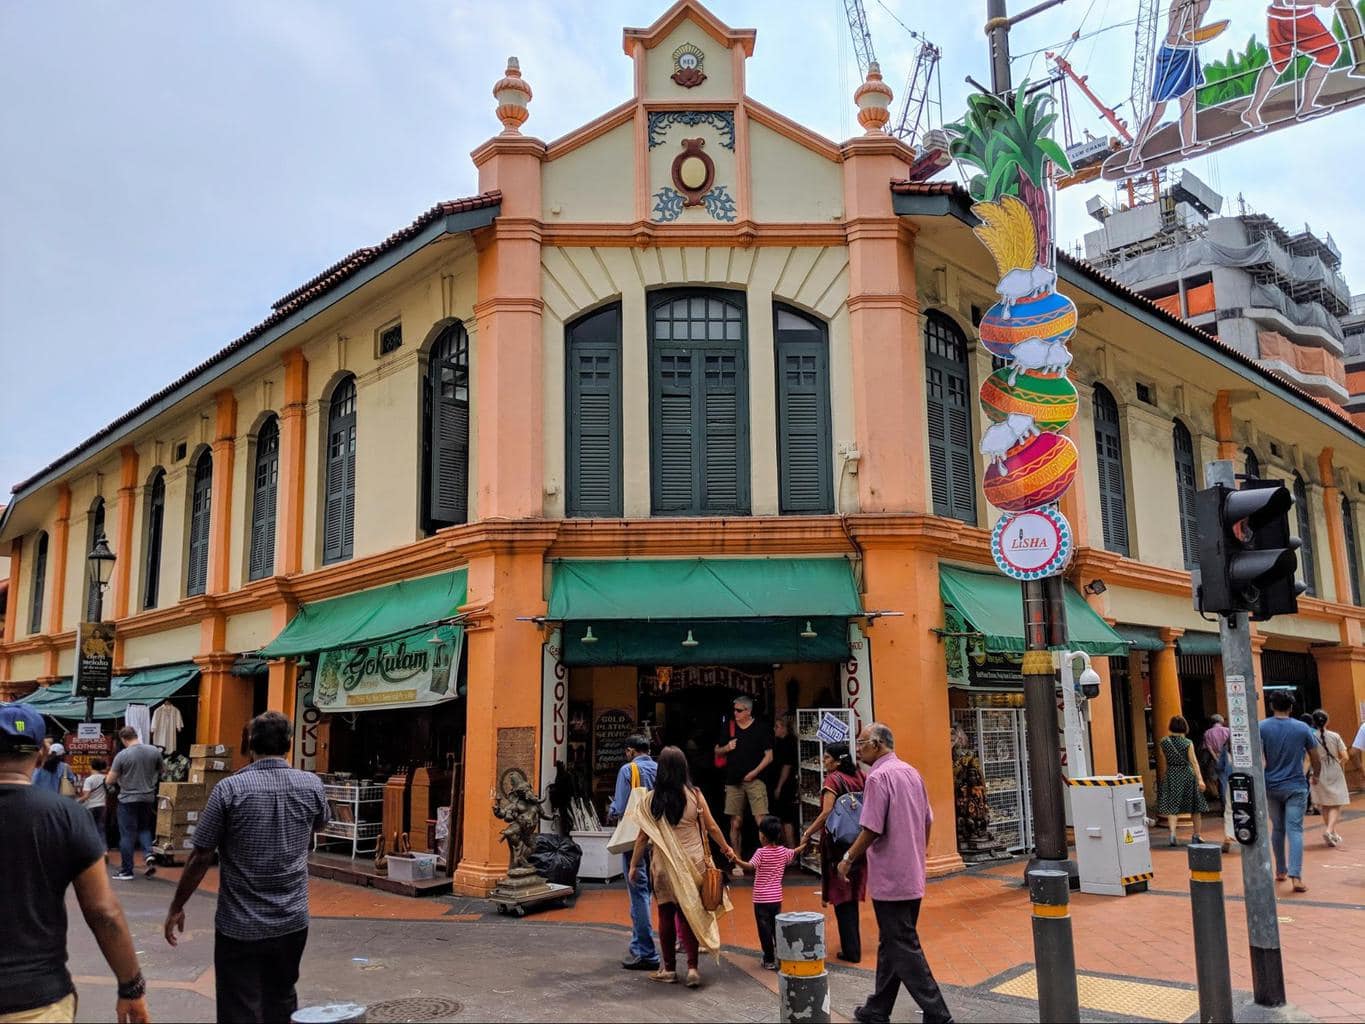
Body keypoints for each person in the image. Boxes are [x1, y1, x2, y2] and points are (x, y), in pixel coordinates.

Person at [164, 711, 328, 1023]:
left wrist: (177, 905)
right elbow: (319, 823)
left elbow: (201, 855)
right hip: (292, 920)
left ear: (248, 744)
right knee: (282, 997)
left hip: (240, 924)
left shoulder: (229, 790)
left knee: (238, 1006)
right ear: (289, 744)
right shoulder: (312, 785)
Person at [0, 706, 150, 1024]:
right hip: (36, 1000)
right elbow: (103, 911)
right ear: (41, 752)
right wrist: (131, 986)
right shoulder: (66, 815)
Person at [838, 723, 952, 1024]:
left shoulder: (878, 777)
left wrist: (849, 857)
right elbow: (928, 817)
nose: (858, 749)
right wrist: (919, 851)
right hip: (912, 871)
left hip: (890, 875)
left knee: (902, 944)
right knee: (893, 942)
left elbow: (872, 827)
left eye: (862, 743)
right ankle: (878, 1008)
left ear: (877, 744)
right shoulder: (911, 772)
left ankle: (938, 1013)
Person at [628, 745, 738, 989]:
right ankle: (692, 969)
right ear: (683, 768)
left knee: (666, 915)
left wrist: (634, 866)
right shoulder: (695, 795)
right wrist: (727, 849)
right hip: (694, 864)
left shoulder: (650, 800)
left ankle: (668, 969)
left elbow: (641, 839)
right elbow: (712, 828)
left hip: (663, 867)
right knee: (688, 914)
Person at [799, 740, 867, 963]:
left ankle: (851, 950)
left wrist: (808, 832)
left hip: (838, 844)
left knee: (842, 897)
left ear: (837, 761)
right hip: (859, 842)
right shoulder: (860, 776)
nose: (824, 761)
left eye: (827, 758)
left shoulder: (833, 780)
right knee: (852, 895)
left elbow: (827, 812)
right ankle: (853, 945)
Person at [1125, 0, 1213, 172]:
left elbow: (1198, 21)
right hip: (1171, 54)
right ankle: (1133, 157)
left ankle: (1188, 143)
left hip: (1189, 52)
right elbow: (1178, 24)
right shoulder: (1178, 4)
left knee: (1188, 103)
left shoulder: (1204, 3)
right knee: (1158, 111)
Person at [1260, 691, 1324, 893]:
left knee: (1277, 828)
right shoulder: (1302, 728)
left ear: (1272, 706)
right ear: (1291, 707)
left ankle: (1280, 870)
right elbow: (1315, 756)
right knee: (1295, 830)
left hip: (1270, 785)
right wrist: (1316, 775)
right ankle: (1296, 876)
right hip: (1296, 784)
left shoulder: (1261, 727)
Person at [1243, 1, 1341, 131]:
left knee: (1278, 63)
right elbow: (1288, 1)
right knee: (1329, 51)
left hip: (1283, 16)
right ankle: (1306, 106)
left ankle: (1252, 110)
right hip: (1295, 18)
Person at [606, 733, 658, 971]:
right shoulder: (661, 769)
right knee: (649, 891)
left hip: (635, 837)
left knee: (638, 890)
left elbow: (619, 806)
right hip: (658, 836)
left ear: (630, 751)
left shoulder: (628, 770)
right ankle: (638, 945)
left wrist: (612, 811)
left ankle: (646, 951)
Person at [734, 815, 807, 970]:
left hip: (761, 899)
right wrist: (805, 842)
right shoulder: (783, 852)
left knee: (764, 931)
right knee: (776, 929)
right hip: (776, 899)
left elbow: (748, 866)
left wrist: (734, 858)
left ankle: (768, 959)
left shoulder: (760, 853)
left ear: (763, 836)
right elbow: (795, 852)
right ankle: (781, 957)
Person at [714, 696, 773, 861]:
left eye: (739, 710)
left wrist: (754, 773)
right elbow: (717, 751)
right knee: (735, 822)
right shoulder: (729, 726)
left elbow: (769, 756)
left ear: (749, 711)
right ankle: (737, 860)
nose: (735, 713)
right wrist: (727, 747)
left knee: (761, 820)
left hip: (756, 779)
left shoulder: (761, 728)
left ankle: (767, 859)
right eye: (734, 710)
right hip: (733, 780)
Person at [107, 725, 163, 880]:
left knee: (127, 834)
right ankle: (148, 854)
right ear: (136, 735)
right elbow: (162, 771)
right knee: (144, 828)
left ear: (123, 739)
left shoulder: (122, 755)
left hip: (127, 799)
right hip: (147, 797)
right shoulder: (153, 751)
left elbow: (110, 780)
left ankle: (126, 870)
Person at [1156, 716, 1208, 846]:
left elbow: (1164, 757)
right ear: (1185, 727)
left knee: (1172, 806)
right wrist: (1200, 779)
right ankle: (1197, 835)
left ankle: (1173, 833)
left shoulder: (1164, 741)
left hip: (1172, 773)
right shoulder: (1187, 743)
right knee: (1196, 806)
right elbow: (1194, 762)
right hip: (1187, 774)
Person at [1310, 709, 1350, 847]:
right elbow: (1345, 756)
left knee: (1325, 803)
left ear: (1313, 722)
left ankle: (1332, 833)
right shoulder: (1335, 736)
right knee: (1336, 802)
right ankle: (1329, 831)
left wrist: (1310, 775)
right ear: (1327, 721)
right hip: (1334, 770)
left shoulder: (1310, 737)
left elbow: (1307, 759)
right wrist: (1339, 763)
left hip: (1318, 770)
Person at [767, 713, 799, 848]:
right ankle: (786, 847)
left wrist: (779, 786)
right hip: (778, 783)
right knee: (780, 817)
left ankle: (791, 850)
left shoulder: (789, 743)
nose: (775, 729)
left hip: (786, 786)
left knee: (786, 818)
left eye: (777, 726)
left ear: (785, 728)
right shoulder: (778, 742)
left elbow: (787, 766)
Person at [80, 756, 111, 841]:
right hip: (102, 805)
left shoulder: (89, 780)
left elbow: (86, 796)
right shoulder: (106, 778)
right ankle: (104, 850)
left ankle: (91, 849)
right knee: (101, 828)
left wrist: (77, 801)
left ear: (91, 766)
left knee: (89, 828)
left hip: (91, 806)